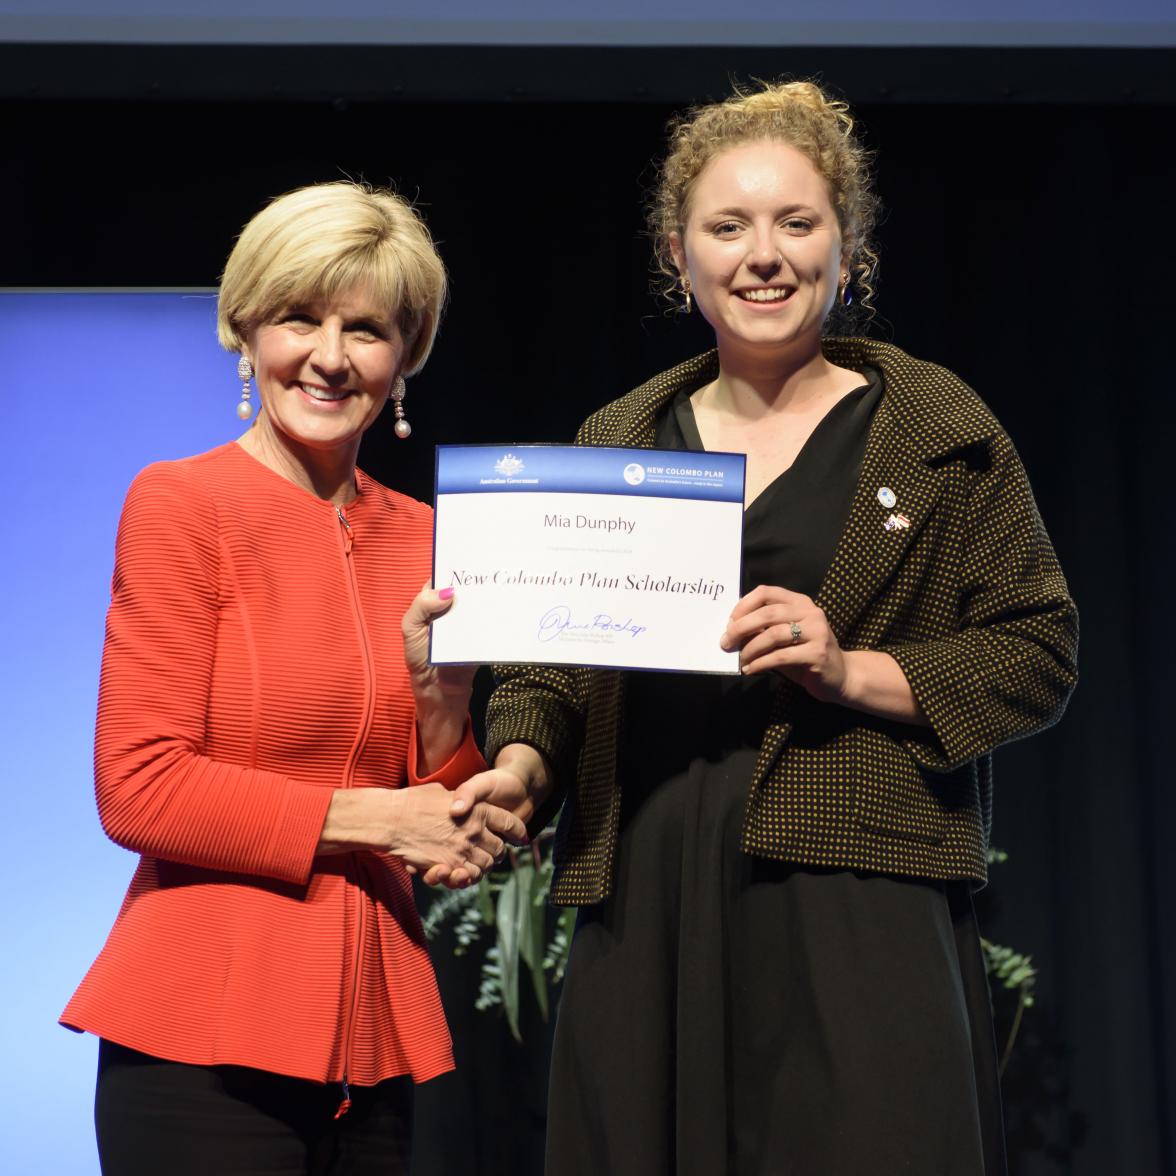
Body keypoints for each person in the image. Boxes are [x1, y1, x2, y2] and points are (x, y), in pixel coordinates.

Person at [435, 82, 1079, 1175]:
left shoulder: (941, 432)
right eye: (727, 228)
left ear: (848, 244)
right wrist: (521, 760)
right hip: (653, 883)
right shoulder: (621, 436)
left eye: (796, 223)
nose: (762, 255)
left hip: (858, 890)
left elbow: (1038, 651)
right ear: (677, 256)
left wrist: (852, 668)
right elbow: (553, 662)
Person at [61, 180, 525, 1176]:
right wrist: (374, 818)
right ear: (244, 330)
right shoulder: (181, 504)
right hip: (200, 1038)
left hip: (374, 1042)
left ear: (407, 354)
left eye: (364, 328)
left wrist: (446, 718)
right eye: (298, 318)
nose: (328, 354)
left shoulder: (431, 538)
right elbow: (138, 784)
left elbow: (438, 828)